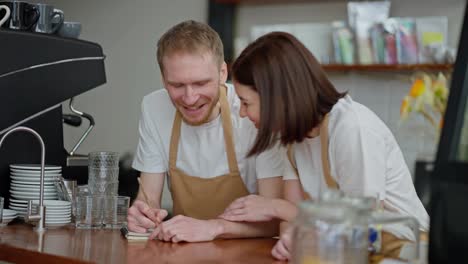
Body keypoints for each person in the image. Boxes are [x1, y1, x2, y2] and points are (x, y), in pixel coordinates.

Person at [219, 31, 430, 260]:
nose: (241, 113)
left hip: (404, 251)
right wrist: (290, 244)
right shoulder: (290, 139)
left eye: (245, 102)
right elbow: (295, 218)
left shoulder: (351, 128)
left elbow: (361, 225)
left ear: (277, 97)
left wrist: (273, 207)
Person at [127, 20, 284, 243]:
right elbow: (149, 198)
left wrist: (213, 228)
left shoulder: (252, 112)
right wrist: (142, 215)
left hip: (249, 253)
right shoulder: (154, 107)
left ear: (222, 73)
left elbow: (274, 220)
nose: (190, 98)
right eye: (177, 85)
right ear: (163, 79)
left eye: (201, 83)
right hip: (185, 249)